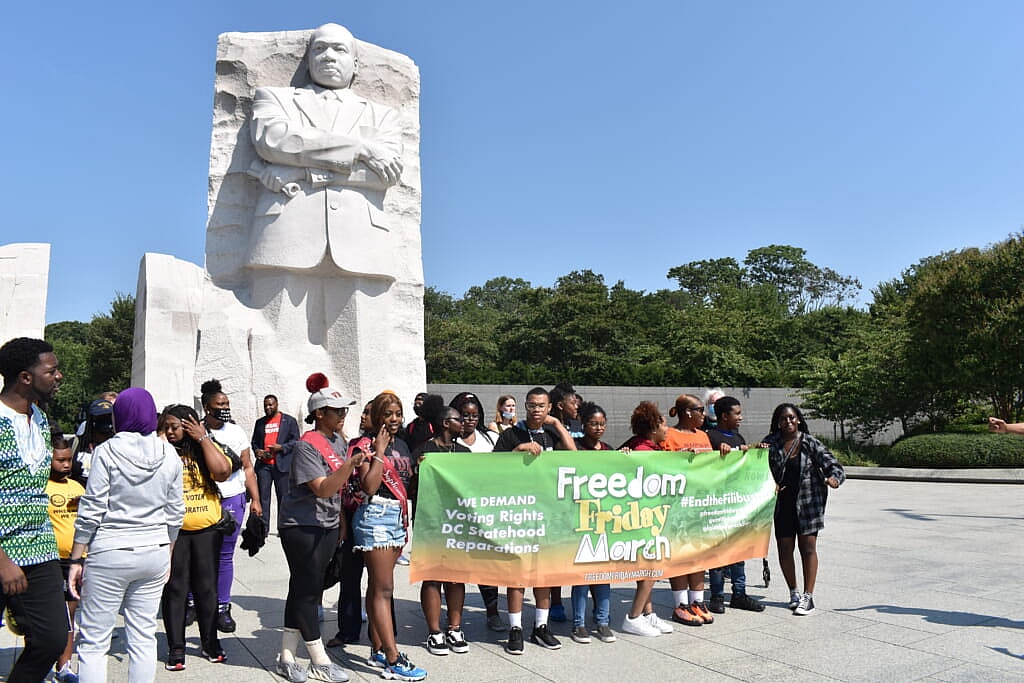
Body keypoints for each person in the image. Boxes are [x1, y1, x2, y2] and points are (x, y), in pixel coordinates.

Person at [68, 387, 184, 682]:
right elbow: (175, 512)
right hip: (155, 548)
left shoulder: (106, 451)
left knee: (93, 642)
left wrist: (76, 557)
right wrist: (168, 551)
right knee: (144, 638)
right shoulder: (169, 452)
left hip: (111, 549)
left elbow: (92, 509)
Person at [275, 376, 361, 683]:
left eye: (344, 410)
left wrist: (340, 522)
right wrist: (348, 467)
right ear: (319, 413)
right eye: (336, 410)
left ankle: (286, 656)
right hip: (301, 526)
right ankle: (318, 659)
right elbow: (323, 488)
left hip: (326, 524)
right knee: (309, 593)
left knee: (299, 589)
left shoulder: (339, 441)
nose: (342, 415)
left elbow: (336, 494)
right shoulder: (305, 445)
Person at [0, 337, 70, 682]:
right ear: (25, 377)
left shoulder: (41, 420)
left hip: (40, 548)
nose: (58, 376)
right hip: (2, 551)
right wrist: (2, 561)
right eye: (52, 370)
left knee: (52, 638)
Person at [349, 391, 427, 680]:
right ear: (377, 416)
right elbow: (369, 486)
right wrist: (379, 451)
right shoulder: (367, 445)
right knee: (384, 590)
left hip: (396, 517)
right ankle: (394, 659)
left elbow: (407, 481)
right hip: (375, 518)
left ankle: (379, 648)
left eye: (397, 413)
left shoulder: (404, 444)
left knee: (376, 587)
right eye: (388, 414)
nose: (394, 419)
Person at [492, 387, 576, 654]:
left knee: (545, 572)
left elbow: (574, 457)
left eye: (541, 406)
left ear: (549, 407)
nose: (536, 410)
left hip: (548, 512)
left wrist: (558, 425)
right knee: (517, 572)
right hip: (520, 512)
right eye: (531, 405)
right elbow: (491, 470)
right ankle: (515, 628)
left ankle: (541, 626)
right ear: (525, 407)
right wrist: (518, 449)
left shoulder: (552, 432)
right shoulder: (510, 434)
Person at [158, 404, 233, 671]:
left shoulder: (204, 448)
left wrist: (202, 438)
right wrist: (160, 439)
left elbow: (223, 472)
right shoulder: (160, 450)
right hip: (173, 533)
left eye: (175, 427)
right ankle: (176, 648)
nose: (170, 431)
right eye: (165, 426)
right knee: (175, 589)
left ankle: (210, 642)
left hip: (206, 531)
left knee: (206, 589)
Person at [764, 403, 845, 616]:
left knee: (808, 548)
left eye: (792, 417)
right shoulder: (770, 443)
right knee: (784, 549)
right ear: (778, 422)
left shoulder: (809, 442)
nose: (788, 421)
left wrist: (834, 479)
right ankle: (794, 592)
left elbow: (835, 466)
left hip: (809, 503)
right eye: (783, 418)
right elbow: (755, 468)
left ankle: (808, 596)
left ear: (798, 419)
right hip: (782, 503)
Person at [200, 378, 261, 632]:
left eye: (226, 403)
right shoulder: (198, 432)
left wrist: (255, 498)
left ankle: (223, 606)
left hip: (233, 497)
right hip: (204, 500)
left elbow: (248, 467)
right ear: (207, 406)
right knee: (200, 555)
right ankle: (194, 602)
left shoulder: (236, 432)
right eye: (219, 404)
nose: (224, 407)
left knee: (225, 555)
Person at [412, 396, 470, 657]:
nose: (465, 422)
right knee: (433, 577)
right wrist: (419, 470)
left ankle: (454, 628)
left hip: (458, 523)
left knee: (457, 577)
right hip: (432, 523)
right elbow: (412, 487)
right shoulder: (425, 452)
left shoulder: (465, 453)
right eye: (460, 419)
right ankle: (434, 632)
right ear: (446, 423)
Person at [448, 392, 505, 633]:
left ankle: (492, 611)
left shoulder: (490, 438)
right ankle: (454, 619)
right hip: (458, 512)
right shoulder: (447, 443)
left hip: (486, 511)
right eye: (464, 415)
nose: (470, 420)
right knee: (456, 567)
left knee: (487, 564)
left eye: (474, 415)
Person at [704, 396, 765, 614]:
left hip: (737, 504)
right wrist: (715, 453)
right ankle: (717, 596)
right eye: (737, 413)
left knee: (739, 552)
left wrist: (756, 452)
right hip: (717, 504)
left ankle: (739, 593)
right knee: (718, 552)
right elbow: (703, 466)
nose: (740, 417)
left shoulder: (737, 436)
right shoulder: (709, 437)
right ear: (724, 416)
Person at [619, 401, 674, 638]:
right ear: (653, 427)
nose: (667, 428)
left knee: (647, 569)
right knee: (650, 567)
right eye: (663, 423)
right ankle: (632, 617)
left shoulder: (642, 447)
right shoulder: (643, 452)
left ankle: (647, 613)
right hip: (644, 518)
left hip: (645, 516)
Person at [660, 394, 715, 627]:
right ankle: (681, 604)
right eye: (700, 409)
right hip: (678, 505)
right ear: (688, 412)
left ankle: (698, 601)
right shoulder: (669, 436)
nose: (704, 414)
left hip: (701, 504)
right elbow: (660, 465)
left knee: (699, 555)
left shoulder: (703, 436)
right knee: (680, 556)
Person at [569, 402, 615, 644]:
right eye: (594, 423)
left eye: (602, 424)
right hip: (580, 519)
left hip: (604, 521)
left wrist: (624, 459)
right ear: (584, 425)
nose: (598, 428)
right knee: (582, 577)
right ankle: (579, 624)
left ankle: (603, 622)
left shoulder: (609, 450)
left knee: (603, 575)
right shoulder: (573, 448)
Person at [46, 432, 84, 682]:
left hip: (73, 563)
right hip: (47, 561)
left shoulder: (78, 488)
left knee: (69, 616)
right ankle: (40, 663)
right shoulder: (41, 487)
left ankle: (65, 666)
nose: (66, 465)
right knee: (46, 618)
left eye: (69, 459)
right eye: (60, 460)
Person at [252, 394, 301, 527]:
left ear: (276, 404)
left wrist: (281, 448)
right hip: (264, 466)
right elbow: (254, 442)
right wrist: (257, 451)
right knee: (263, 497)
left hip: (282, 465)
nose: (268, 407)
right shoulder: (260, 422)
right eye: (265, 405)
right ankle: (264, 527)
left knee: (283, 497)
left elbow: (296, 441)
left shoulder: (289, 421)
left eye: (270, 405)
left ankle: (283, 526)